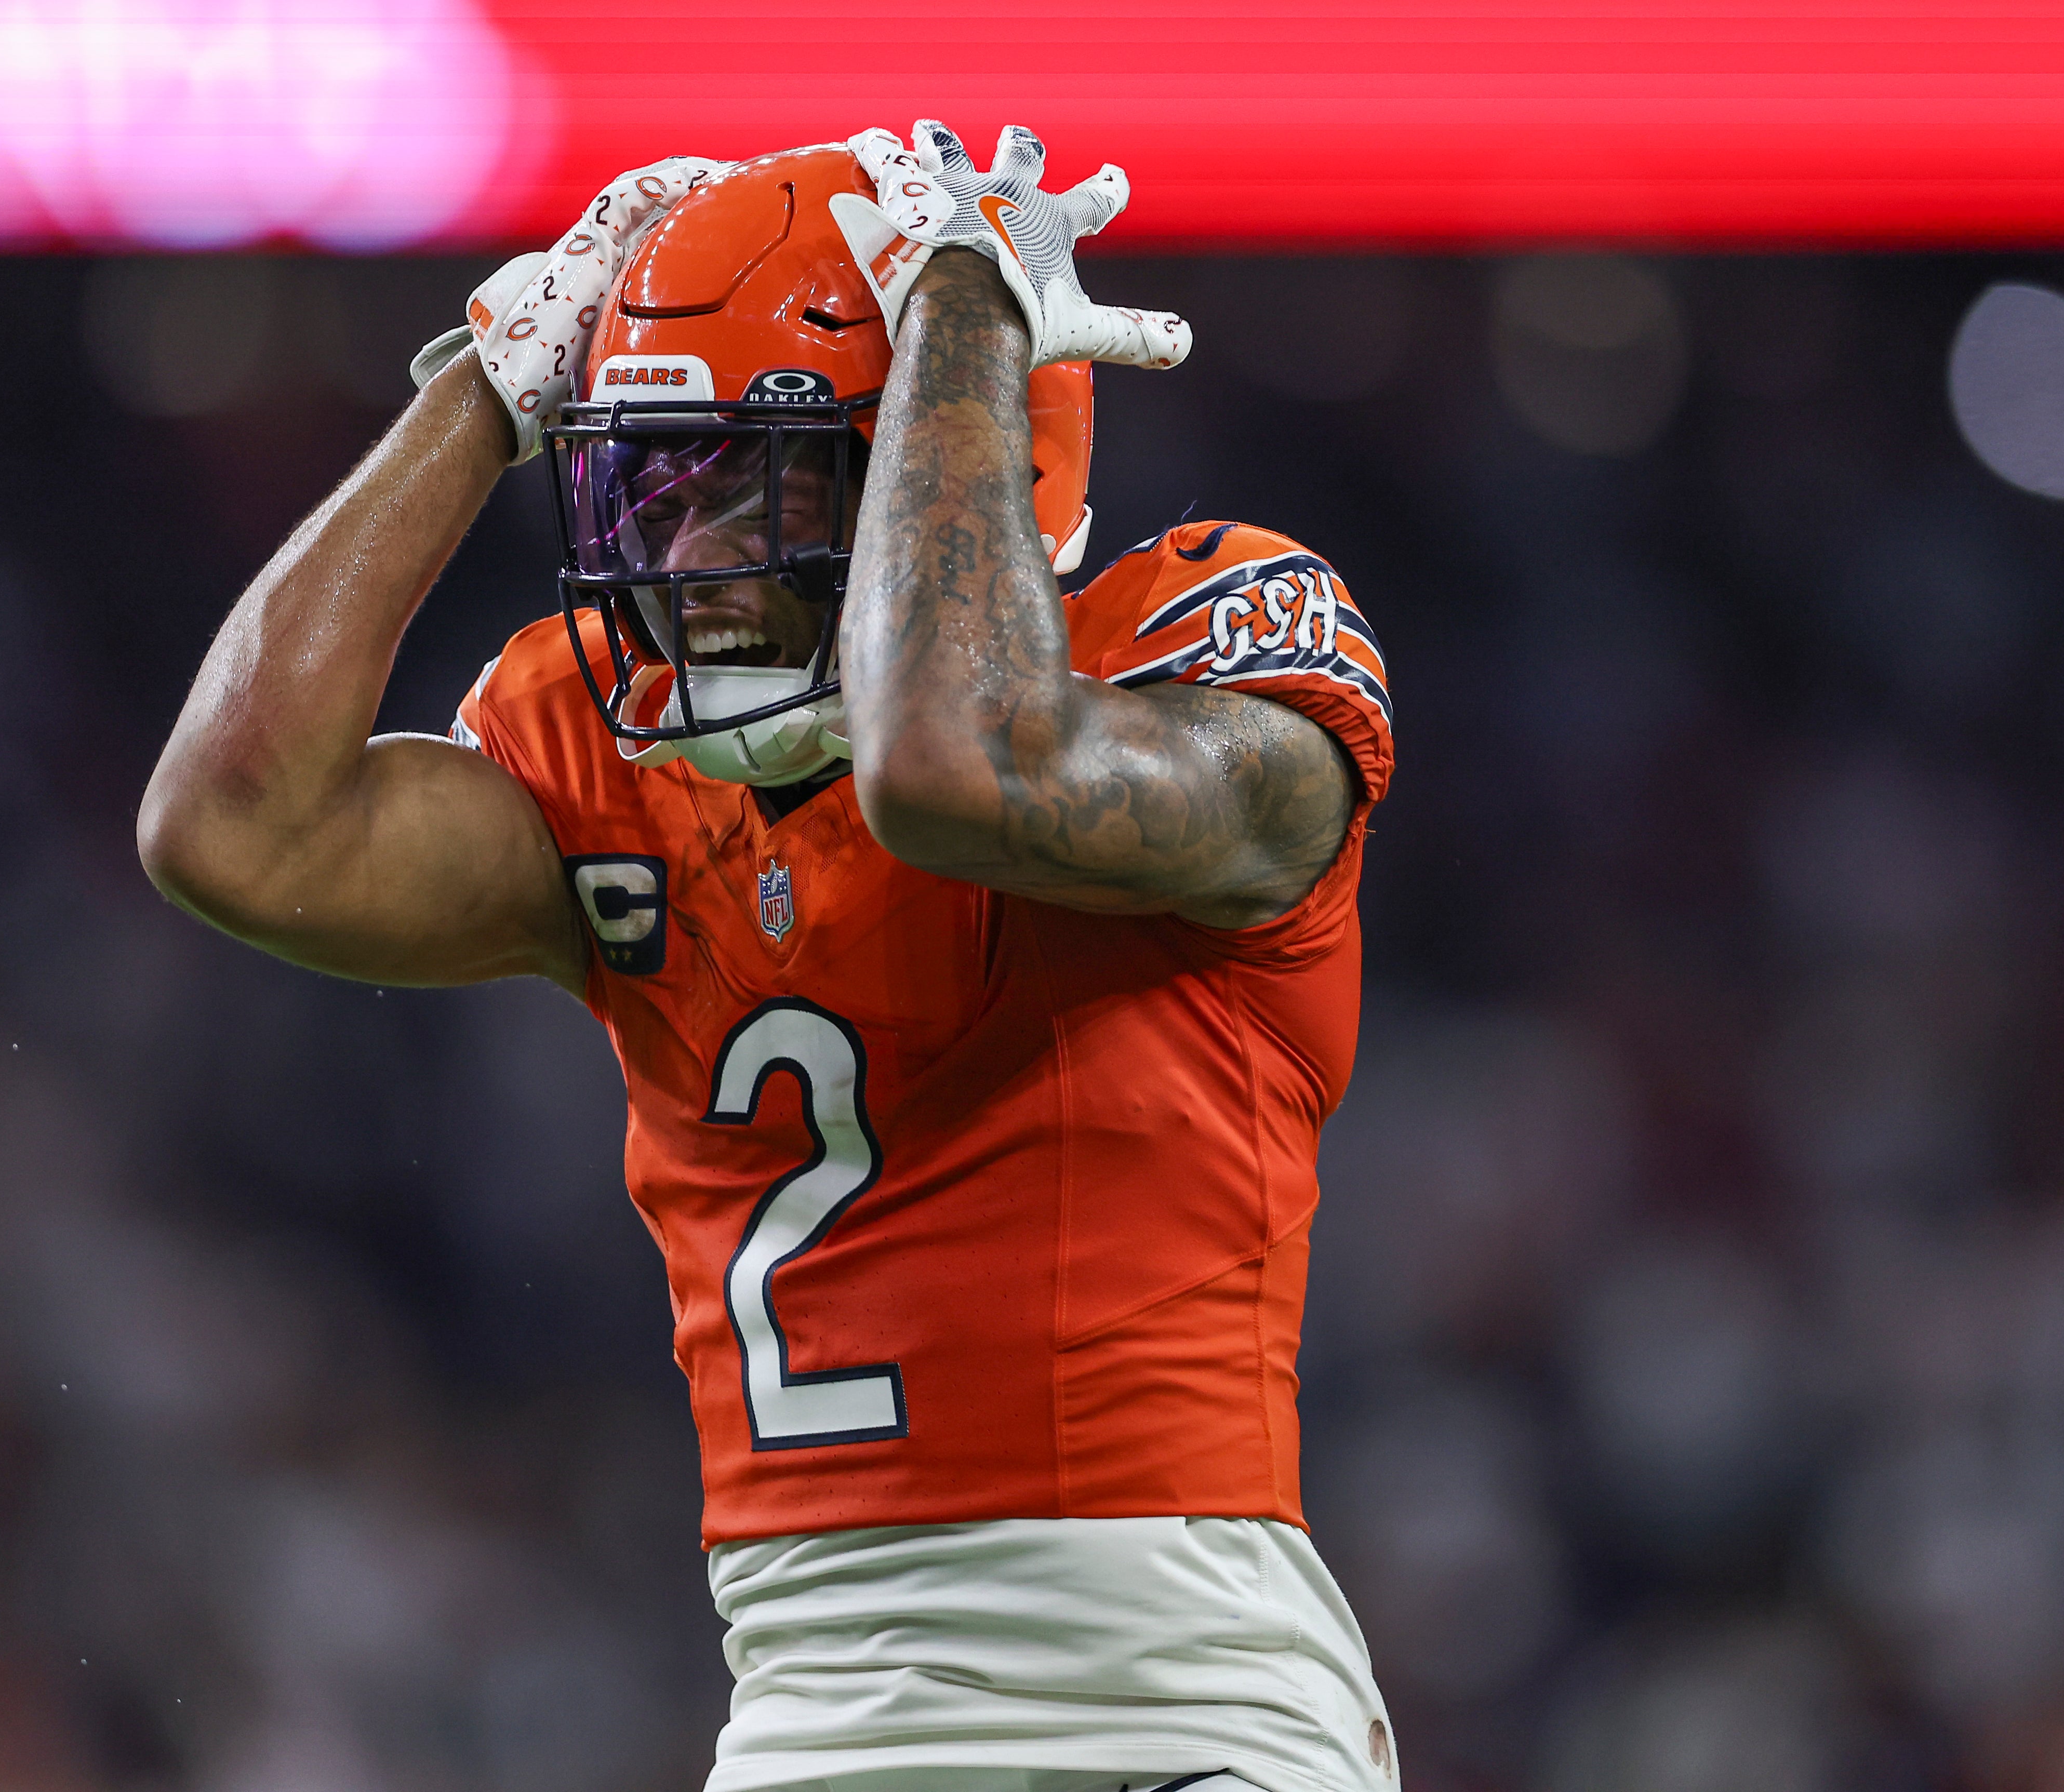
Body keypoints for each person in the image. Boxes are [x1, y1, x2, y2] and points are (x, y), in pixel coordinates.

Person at [138, 123, 1400, 1792]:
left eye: (747, 475)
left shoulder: (1192, 663)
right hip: (812, 1714)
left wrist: (963, 307)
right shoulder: (606, 759)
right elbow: (233, 828)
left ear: (934, 438)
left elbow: (957, 763)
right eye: (653, 482)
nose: (679, 555)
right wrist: (481, 396)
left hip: (1184, 1713)